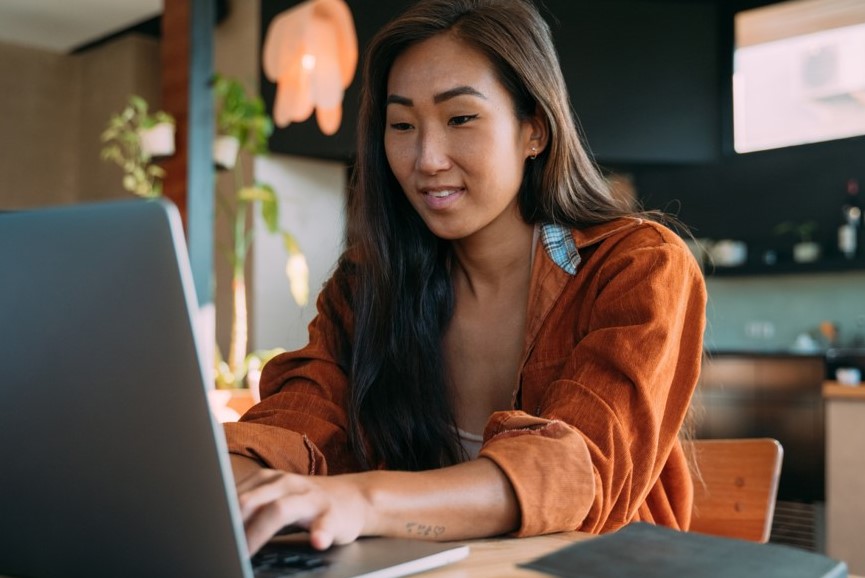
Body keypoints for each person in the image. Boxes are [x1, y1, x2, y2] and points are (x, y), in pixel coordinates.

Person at [225, 0, 706, 555]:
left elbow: (578, 470)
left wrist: (363, 499)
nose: (427, 159)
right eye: (402, 125)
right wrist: (236, 481)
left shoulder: (636, 265)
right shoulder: (368, 284)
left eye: (460, 119)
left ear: (535, 131)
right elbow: (295, 418)